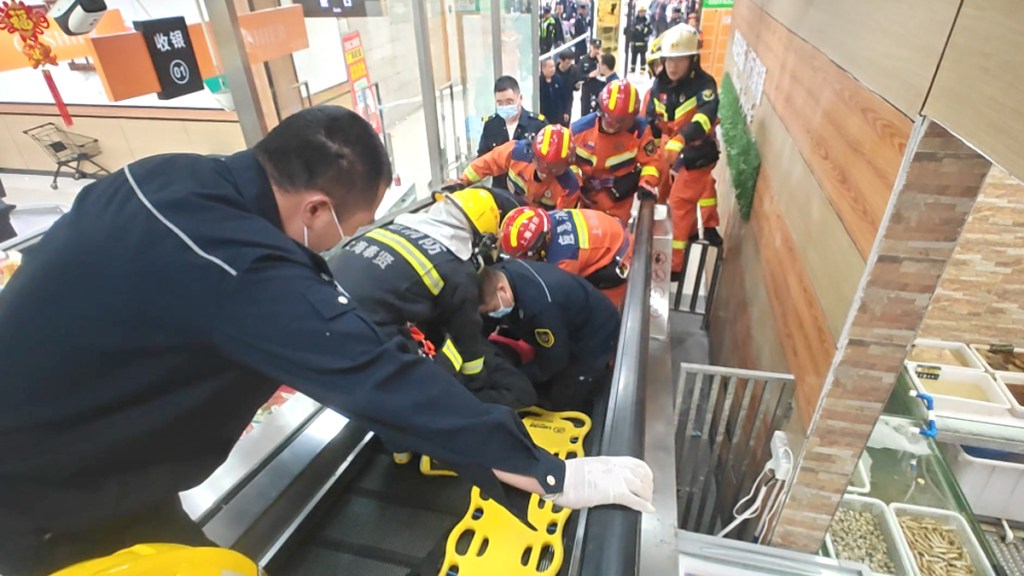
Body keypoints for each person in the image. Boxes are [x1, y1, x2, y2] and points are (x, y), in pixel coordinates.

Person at [0, 106, 654, 576]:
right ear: (316, 208)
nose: (346, 238)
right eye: (352, 223)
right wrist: (549, 472)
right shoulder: (239, 265)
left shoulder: (171, 178)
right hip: (45, 505)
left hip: (101, 468)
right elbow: (378, 375)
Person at [327, 188, 536, 410]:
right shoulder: (456, 269)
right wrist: (474, 393)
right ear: (480, 239)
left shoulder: (393, 229)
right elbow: (467, 341)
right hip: (366, 330)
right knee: (428, 396)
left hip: (325, 304)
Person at [479, 260, 619, 411]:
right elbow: (488, 320)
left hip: (594, 333)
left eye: (492, 309)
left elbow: (554, 360)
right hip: (563, 316)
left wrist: (518, 377)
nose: (492, 313)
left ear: (502, 290)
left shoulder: (541, 308)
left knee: (563, 398)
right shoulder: (495, 276)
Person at [645, 24, 721, 278]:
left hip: (695, 153)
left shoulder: (704, 85)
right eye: (668, 59)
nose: (672, 66)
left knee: (679, 203)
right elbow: (653, 115)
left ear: (692, 59)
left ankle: (675, 265)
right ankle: (688, 232)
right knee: (661, 193)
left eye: (679, 59)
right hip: (670, 148)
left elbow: (705, 116)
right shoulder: (661, 84)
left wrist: (681, 138)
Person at [499, 206, 633, 309]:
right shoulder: (547, 220)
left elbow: (557, 295)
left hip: (619, 259)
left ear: (536, 249)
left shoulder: (564, 260)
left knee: (603, 312)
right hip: (612, 232)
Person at [571, 79, 661, 224]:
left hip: (619, 203)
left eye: (622, 121)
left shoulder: (639, 131)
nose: (615, 126)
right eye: (611, 120)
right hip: (587, 200)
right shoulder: (578, 131)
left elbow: (652, 162)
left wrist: (647, 183)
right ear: (600, 111)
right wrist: (576, 182)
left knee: (616, 240)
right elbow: (568, 162)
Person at [458, 125, 582, 209]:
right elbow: (488, 162)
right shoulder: (516, 152)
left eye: (553, 168)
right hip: (509, 208)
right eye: (540, 162)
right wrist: (462, 181)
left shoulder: (569, 189)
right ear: (533, 152)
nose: (544, 172)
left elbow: (557, 223)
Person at [478, 76, 549, 191]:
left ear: (520, 98)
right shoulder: (491, 125)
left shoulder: (538, 124)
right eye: (500, 103)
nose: (505, 107)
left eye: (509, 102)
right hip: (500, 192)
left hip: (530, 193)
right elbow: (482, 158)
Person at [539, 58, 569, 127]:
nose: (552, 69)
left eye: (553, 66)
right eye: (550, 67)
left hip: (557, 115)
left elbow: (563, 97)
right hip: (544, 116)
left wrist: (565, 111)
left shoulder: (557, 79)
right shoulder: (539, 82)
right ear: (543, 68)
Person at [578, 38, 603, 116]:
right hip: (587, 90)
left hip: (599, 90)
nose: (596, 50)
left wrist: (601, 61)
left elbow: (606, 73)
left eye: (598, 48)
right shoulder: (583, 60)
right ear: (591, 47)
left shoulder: (602, 60)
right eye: (595, 48)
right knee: (585, 113)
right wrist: (589, 75)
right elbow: (579, 77)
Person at [555, 49, 578, 123]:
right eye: (567, 63)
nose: (569, 65)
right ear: (561, 61)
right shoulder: (554, 71)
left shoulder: (573, 70)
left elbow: (573, 88)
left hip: (567, 102)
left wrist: (566, 111)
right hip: (555, 103)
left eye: (570, 63)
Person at [627, 6, 653, 73]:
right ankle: (632, 68)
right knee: (633, 56)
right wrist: (636, 30)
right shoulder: (634, 21)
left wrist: (644, 30)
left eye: (643, 12)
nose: (642, 13)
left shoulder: (647, 22)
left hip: (643, 42)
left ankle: (642, 69)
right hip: (635, 42)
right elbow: (631, 29)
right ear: (638, 12)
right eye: (641, 12)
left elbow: (650, 31)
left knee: (643, 56)